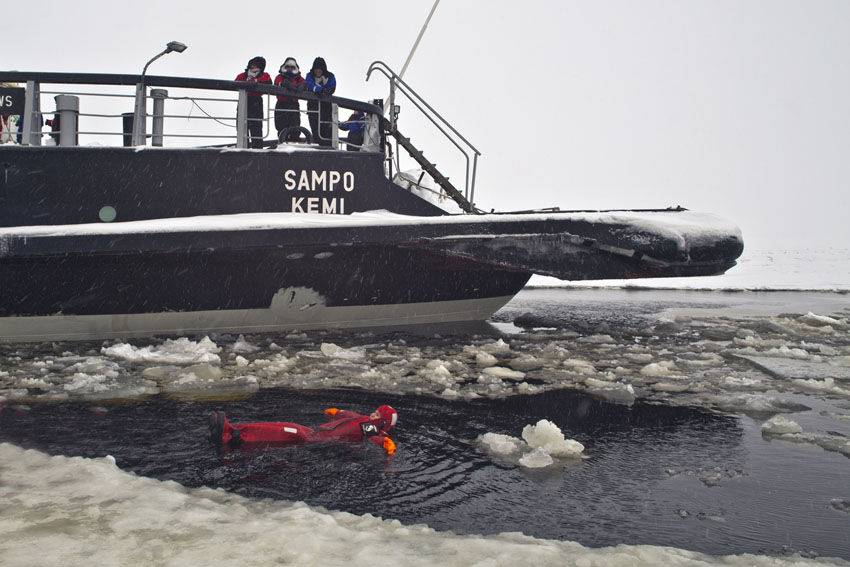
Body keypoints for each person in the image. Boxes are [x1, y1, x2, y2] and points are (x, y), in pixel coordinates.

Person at [209, 405, 398, 454]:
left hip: (311, 439)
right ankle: (232, 428)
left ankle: (229, 436)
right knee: (277, 426)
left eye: (377, 415)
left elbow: (374, 437)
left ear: (382, 423)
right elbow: (349, 415)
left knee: (276, 431)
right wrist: (336, 412)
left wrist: (384, 442)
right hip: (311, 432)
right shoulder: (365, 420)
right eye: (374, 412)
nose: (373, 415)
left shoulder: (371, 427)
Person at [235, 56, 272, 148]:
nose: (254, 67)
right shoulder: (243, 75)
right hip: (244, 100)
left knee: (256, 127)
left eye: (257, 65)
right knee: (241, 126)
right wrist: (253, 83)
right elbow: (236, 83)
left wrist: (252, 82)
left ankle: (257, 148)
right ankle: (244, 147)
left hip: (256, 102)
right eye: (252, 65)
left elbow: (268, 83)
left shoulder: (264, 75)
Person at [304, 57, 336, 147]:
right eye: (316, 69)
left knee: (326, 130)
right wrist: (319, 89)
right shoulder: (309, 76)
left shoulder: (330, 76)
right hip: (313, 108)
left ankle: (326, 149)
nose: (318, 71)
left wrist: (322, 90)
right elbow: (310, 85)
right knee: (315, 129)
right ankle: (317, 147)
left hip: (326, 108)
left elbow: (331, 88)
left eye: (320, 69)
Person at [273, 57, 307, 142]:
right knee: (281, 128)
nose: (290, 69)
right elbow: (277, 83)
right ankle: (283, 146)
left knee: (295, 128)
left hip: (294, 105)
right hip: (281, 104)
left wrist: (304, 85)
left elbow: (305, 84)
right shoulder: (280, 77)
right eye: (288, 67)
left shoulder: (298, 78)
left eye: (292, 67)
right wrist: (285, 84)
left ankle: (294, 147)